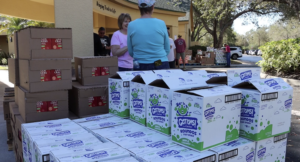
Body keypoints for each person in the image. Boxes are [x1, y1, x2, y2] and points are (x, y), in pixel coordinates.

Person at [127, 0, 170, 70]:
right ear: (153, 7)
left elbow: (131, 51)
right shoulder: (161, 23)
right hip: (159, 62)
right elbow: (167, 49)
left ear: (138, 7)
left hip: (140, 64)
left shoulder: (131, 25)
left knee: (141, 81)